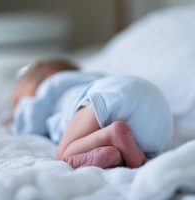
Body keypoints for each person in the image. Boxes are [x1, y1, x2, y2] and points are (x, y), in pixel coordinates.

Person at [12, 58, 173, 169]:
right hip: (158, 114)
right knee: (110, 147)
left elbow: (29, 120)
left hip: (100, 99)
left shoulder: (51, 86)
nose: (19, 104)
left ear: (48, 76)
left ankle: (111, 135)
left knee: (64, 154)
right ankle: (119, 153)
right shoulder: (95, 78)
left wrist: (16, 117)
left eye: (19, 98)